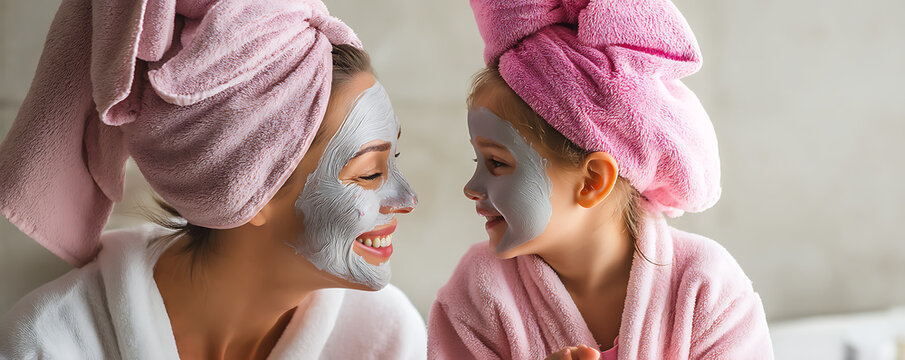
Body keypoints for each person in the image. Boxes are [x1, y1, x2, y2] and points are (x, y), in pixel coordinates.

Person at [0, 0, 425, 358]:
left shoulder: (385, 338)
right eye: (370, 173)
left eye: (395, 159)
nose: (407, 198)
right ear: (250, 191)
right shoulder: (49, 343)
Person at [428, 0, 773, 358]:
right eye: (479, 160)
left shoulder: (707, 288)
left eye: (497, 163)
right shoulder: (477, 293)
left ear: (592, 180)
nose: (471, 188)